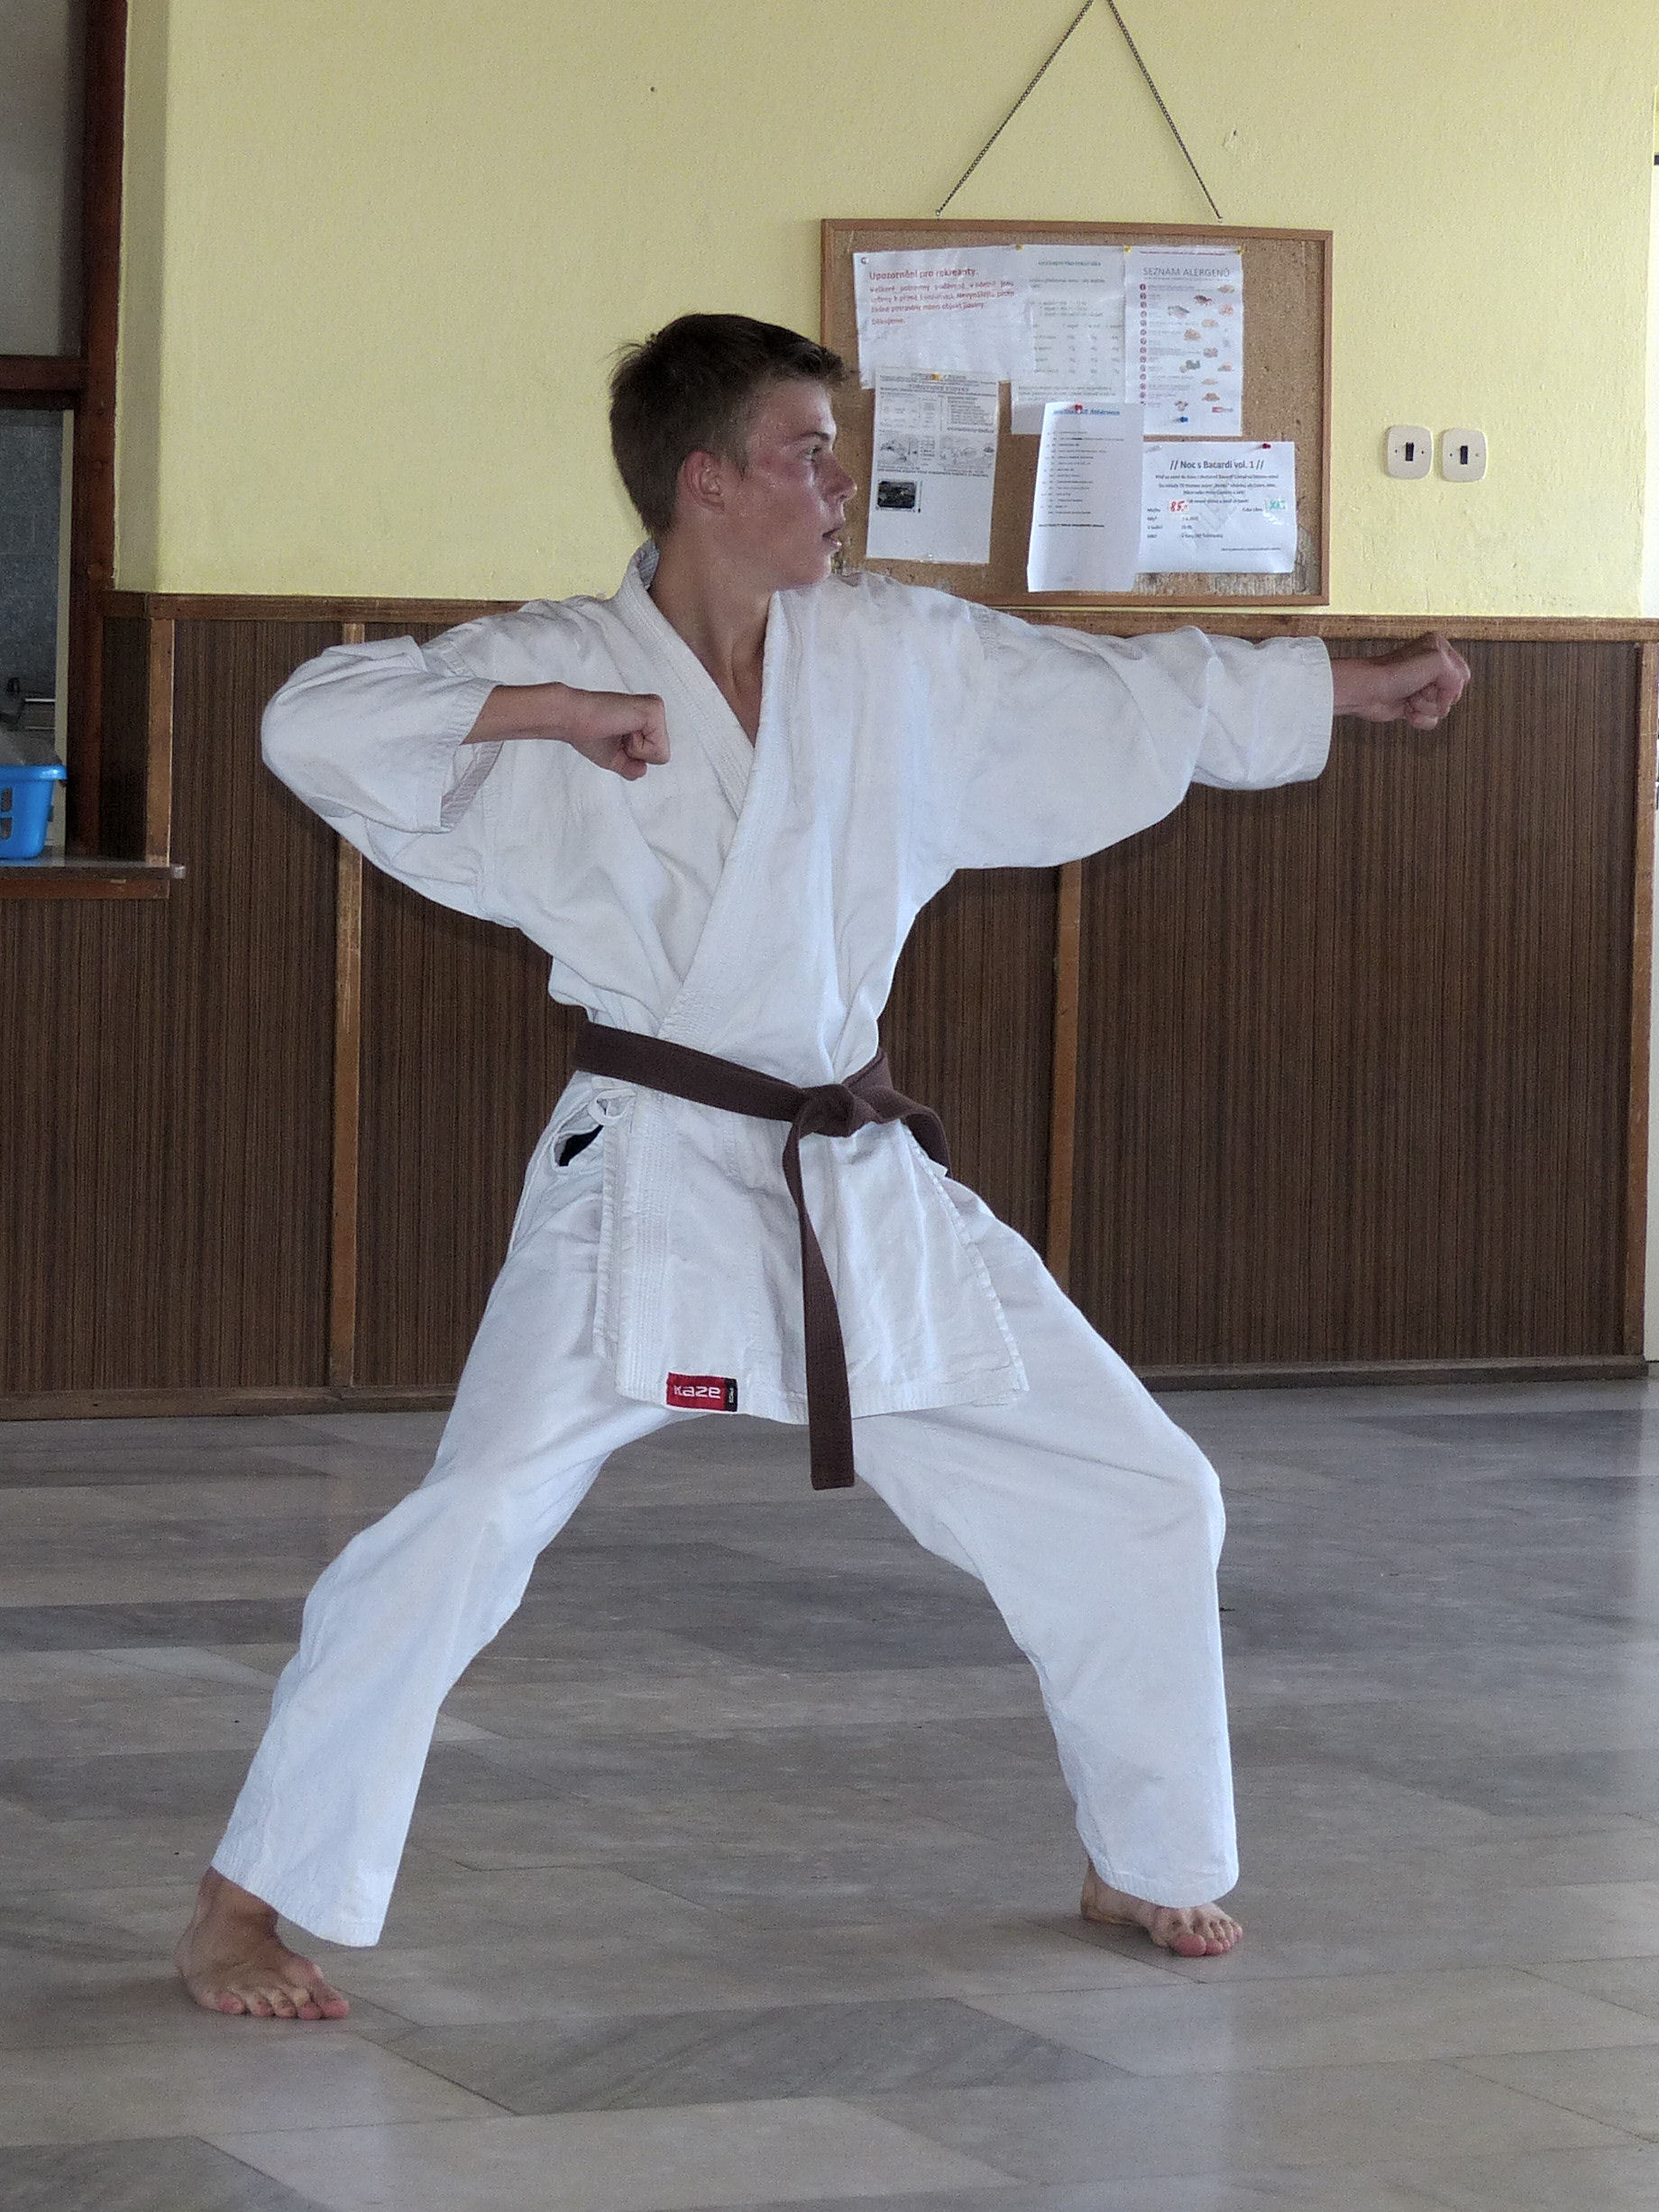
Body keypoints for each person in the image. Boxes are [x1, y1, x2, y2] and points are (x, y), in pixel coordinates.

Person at [175, 314, 1469, 2019]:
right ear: (705, 481)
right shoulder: (557, 657)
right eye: (807, 451)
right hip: (645, 1167)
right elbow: (314, 723)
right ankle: (244, 1903)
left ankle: (1143, 1849)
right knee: (468, 1521)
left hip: (849, 1166)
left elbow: (1123, 693)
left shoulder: (889, 654)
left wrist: (1346, 687)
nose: (842, 484)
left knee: (1141, 1487)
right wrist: (559, 711)